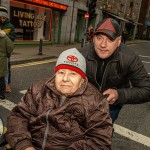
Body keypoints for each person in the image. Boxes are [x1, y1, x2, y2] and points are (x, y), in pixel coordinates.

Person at [6, 48, 112, 150]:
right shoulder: (38, 88)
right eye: (61, 72)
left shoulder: (96, 101)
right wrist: (24, 145)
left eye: (73, 74)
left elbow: (100, 140)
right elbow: (18, 116)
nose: (65, 79)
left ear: (82, 80)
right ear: (55, 73)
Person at [79, 18, 150, 123]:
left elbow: (147, 89)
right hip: (85, 102)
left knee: (103, 133)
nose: (103, 44)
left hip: (111, 107)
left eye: (110, 39)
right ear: (93, 38)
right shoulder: (80, 55)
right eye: (99, 38)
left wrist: (119, 94)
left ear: (119, 41)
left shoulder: (129, 58)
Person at [0, 6, 16, 93]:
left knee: (6, 69)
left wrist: (4, 35)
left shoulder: (10, 26)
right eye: (0, 17)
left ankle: (7, 85)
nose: (2, 19)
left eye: (4, 17)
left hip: (5, 52)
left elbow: (13, 37)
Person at [0, 28, 14, 101]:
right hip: (2, 59)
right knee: (1, 77)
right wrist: (7, 54)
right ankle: (2, 95)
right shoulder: (4, 37)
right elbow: (10, 46)